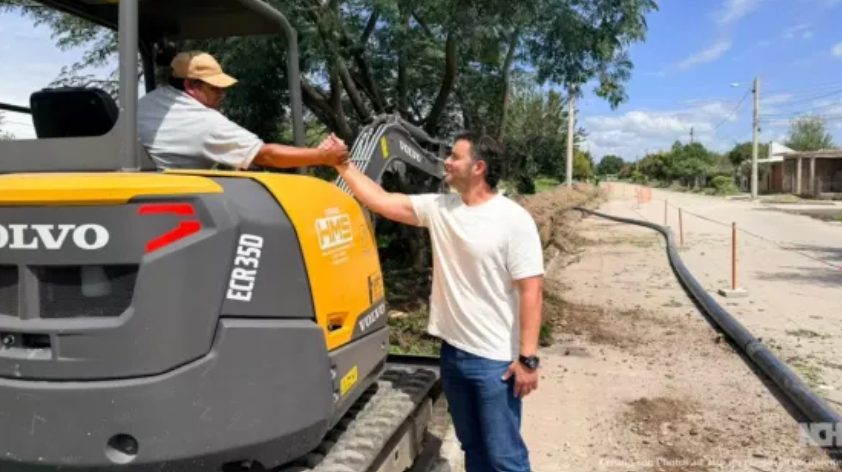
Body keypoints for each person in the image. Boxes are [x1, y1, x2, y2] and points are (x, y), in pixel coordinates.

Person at [333, 131, 544, 472]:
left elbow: (532, 290)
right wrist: (342, 164)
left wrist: (528, 360)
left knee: (505, 457)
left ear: (478, 167)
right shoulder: (440, 208)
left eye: (454, 157)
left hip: (496, 363)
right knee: (473, 449)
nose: (446, 161)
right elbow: (383, 201)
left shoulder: (513, 219)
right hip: (453, 354)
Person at [138, 51, 347, 170]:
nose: (222, 94)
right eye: (214, 88)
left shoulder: (146, 103)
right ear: (191, 86)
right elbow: (267, 156)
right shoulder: (204, 122)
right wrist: (324, 156)